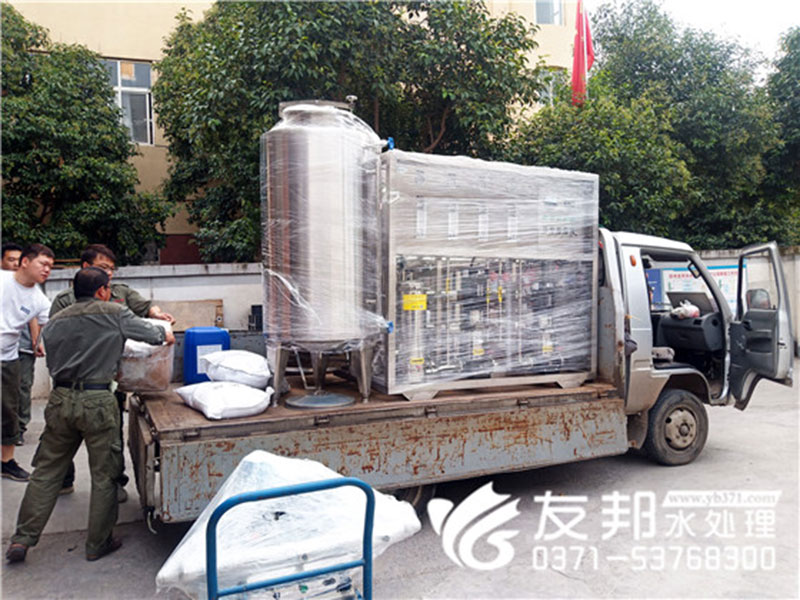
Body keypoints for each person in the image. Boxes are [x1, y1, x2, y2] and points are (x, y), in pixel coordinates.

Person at [5, 267, 175, 564]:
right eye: (108, 287)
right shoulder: (114, 312)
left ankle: (22, 539)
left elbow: (48, 354)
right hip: (97, 400)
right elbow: (155, 335)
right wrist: (166, 332)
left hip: (60, 399)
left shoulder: (56, 321)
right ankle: (99, 542)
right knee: (104, 475)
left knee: (46, 472)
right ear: (101, 291)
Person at [51, 244, 175, 500]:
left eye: (111, 269)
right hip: (72, 377)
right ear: (86, 267)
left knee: (110, 437)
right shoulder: (65, 300)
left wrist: (157, 314)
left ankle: (114, 482)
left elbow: (144, 308)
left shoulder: (120, 293)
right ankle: (64, 479)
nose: (109, 273)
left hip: (108, 378)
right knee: (63, 438)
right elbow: (57, 335)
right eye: (103, 268)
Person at [1, 244, 54, 481]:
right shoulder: (2, 280)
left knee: (9, 411)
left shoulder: (39, 300)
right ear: (25, 262)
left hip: (8, 358)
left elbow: (47, 325)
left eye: (50, 266)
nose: (47, 270)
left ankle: (6, 462)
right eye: (43, 264)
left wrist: (37, 341)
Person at [2, 242, 38, 446]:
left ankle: (19, 428)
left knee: (22, 388)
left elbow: (33, 314)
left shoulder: (28, 285)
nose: (15, 264)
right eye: (11, 260)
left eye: (18, 260)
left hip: (22, 347)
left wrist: (36, 340)